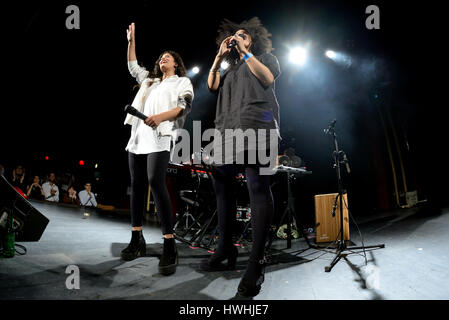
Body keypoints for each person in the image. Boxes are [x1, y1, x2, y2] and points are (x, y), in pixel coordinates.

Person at [203, 17, 281, 297]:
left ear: (253, 40)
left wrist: (244, 50)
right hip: (228, 131)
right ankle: (225, 247)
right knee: (220, 177)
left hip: (257, 126)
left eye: (243, 35)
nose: (237, 37)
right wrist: (218, 56)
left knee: (257, 186)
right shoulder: (229, 69)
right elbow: (212, 86)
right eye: (233, 35)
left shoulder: (263, 58)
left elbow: (267, 78)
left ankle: (256, 263)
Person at [121, 22, 194, 276]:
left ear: (176, 64)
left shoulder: (182, 82)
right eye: (162, 57)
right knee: (137, 185)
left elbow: (183, 108)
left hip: (161, 135)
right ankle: (136, 239)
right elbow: (133, 66)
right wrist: (132, 40)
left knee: (155, 180)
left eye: (169, 57)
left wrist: (161, 117)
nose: (164, 58)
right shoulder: (149, 81)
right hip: (139, 135)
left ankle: (169, 243)